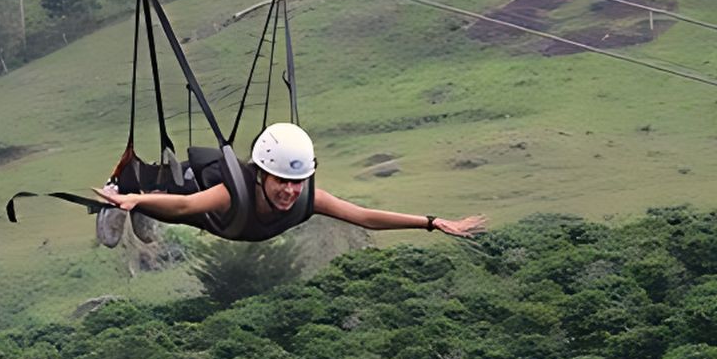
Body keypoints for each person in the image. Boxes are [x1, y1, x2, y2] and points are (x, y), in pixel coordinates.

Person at [92, 122, 487, 246]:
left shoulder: (305, 200)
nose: (290, 192)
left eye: (298, 183)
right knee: (170, 197)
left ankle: (140, 203)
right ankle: (124, 193)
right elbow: (184, 209)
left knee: (165, 204)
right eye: (282, 181)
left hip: (216, 219)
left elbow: (365, 217)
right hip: (193, 200)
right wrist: (134, 200)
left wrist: (432, 222)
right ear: (262, 175)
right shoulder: (233, 191)